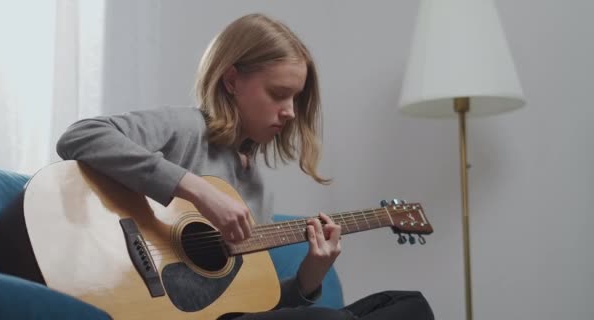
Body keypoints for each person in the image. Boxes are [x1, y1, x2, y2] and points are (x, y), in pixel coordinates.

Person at [56, 13, 434, 320]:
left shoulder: (255, 185)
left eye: (296, 98)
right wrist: (197, 190)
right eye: (278, 94)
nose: (289, 111)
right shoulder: (186, 129)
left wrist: (310, 276)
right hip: (148, 305)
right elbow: (81, 136)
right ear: (232, 80)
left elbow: (252, 302)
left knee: (410, 305)